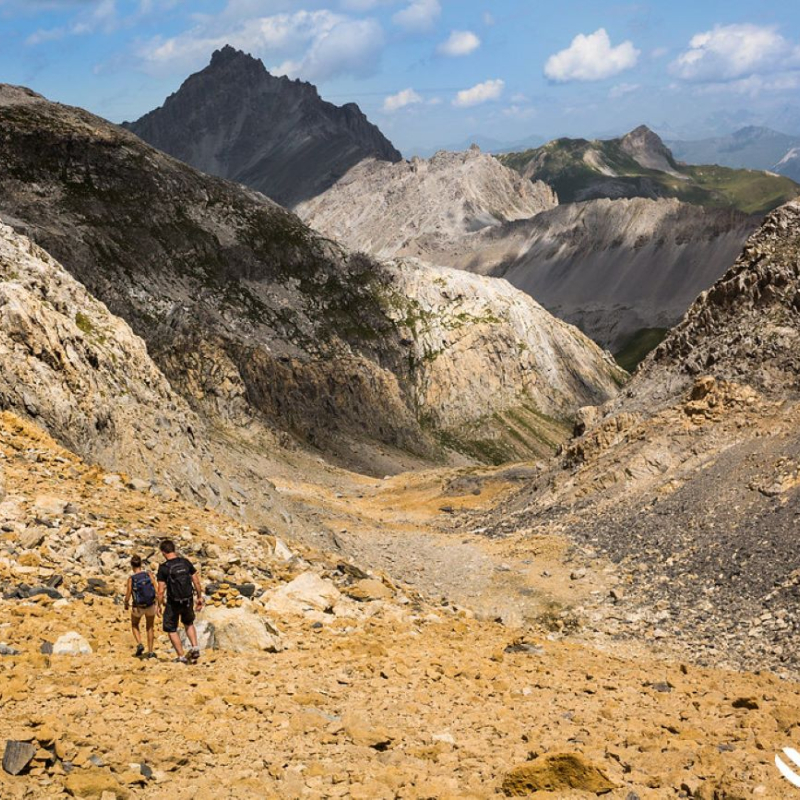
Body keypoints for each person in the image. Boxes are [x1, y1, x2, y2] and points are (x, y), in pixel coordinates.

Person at [156, 539, 204, 664]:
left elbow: (160, 590)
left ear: (163, 552)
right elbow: (196, 582)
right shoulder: (185, 562)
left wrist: (159, 605)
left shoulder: (163, 568)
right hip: (188, 599)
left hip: (173, 602)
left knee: (171, 628)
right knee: (188, 623)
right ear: (174, 549)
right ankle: (195, 647)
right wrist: (199, 597)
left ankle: (181, 656)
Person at [123, 555, 159, 659]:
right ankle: (151, 651)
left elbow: (128, 594)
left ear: (131, 565)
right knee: (150, 627)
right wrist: (159, 603)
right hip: (150, 605)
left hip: (138, 607)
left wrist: (126, 603)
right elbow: (156, 589)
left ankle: (139, 643)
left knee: (134, 624)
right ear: (141, 564)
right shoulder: (148, 574)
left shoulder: (131, 579)